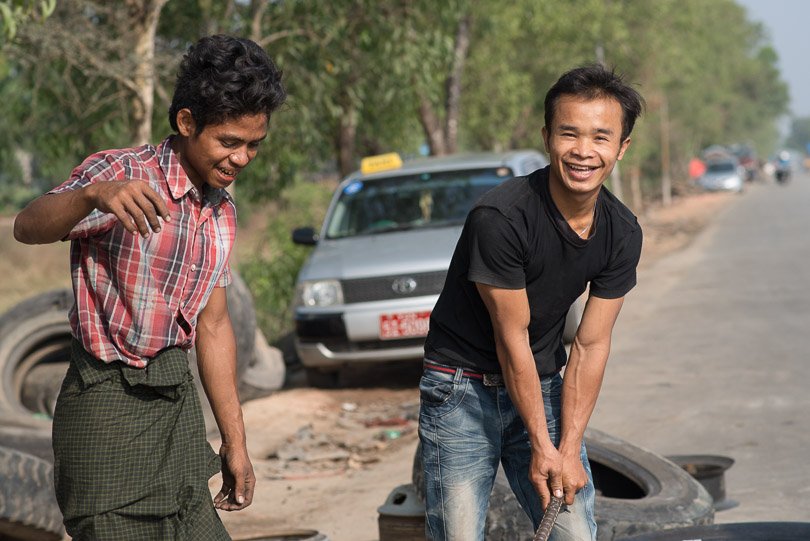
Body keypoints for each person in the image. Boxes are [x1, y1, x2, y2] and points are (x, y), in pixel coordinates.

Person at [14, 35, 286, 540]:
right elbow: (28, 226)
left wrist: (235, 440)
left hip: (176, 414)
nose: (243, 158)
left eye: (254, 145)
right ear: (186, 123)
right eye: (230, 142)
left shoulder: (220, 210)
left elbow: (215, 323)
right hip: (105, 411)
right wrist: (93, 195)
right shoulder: (120, 174)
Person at [418, 64, 644, 541]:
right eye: (569, 134)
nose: (584, 151)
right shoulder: (500, 218)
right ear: (546, 138)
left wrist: (569, 445)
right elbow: (511, 337)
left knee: (575, 533)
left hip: (541, 382)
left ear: (621, 148)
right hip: (461, 389)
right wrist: (542, 445)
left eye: (601, 138)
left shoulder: (621, 232)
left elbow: (590, 345)